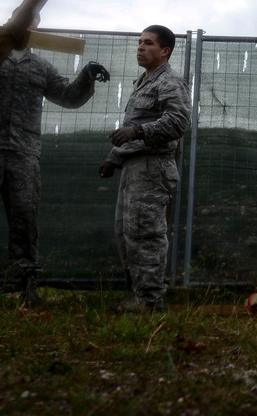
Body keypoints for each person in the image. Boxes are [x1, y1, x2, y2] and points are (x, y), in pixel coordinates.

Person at [0, 12, 110, 306]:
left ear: (37, 29)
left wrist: (86, 77)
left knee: (25, 216)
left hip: (23, 151)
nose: (27, 26)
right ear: (11, 22)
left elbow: (68, 97)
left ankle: (28, 285)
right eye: (22, 20)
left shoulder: (40, 67)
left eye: (33, 22)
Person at [99, 25, 190, 313]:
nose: (140, 47)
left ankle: (150, 301)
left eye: (148, 43)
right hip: (133, 168)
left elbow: (178, 123)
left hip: (153, 169)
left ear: (165, 51)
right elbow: (135, 127)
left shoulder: (170, 82)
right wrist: (114, 157)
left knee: (145, 234)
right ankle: (138, 296)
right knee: (126, 234)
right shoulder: (143, 82)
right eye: (139, 42)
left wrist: (137, 131)